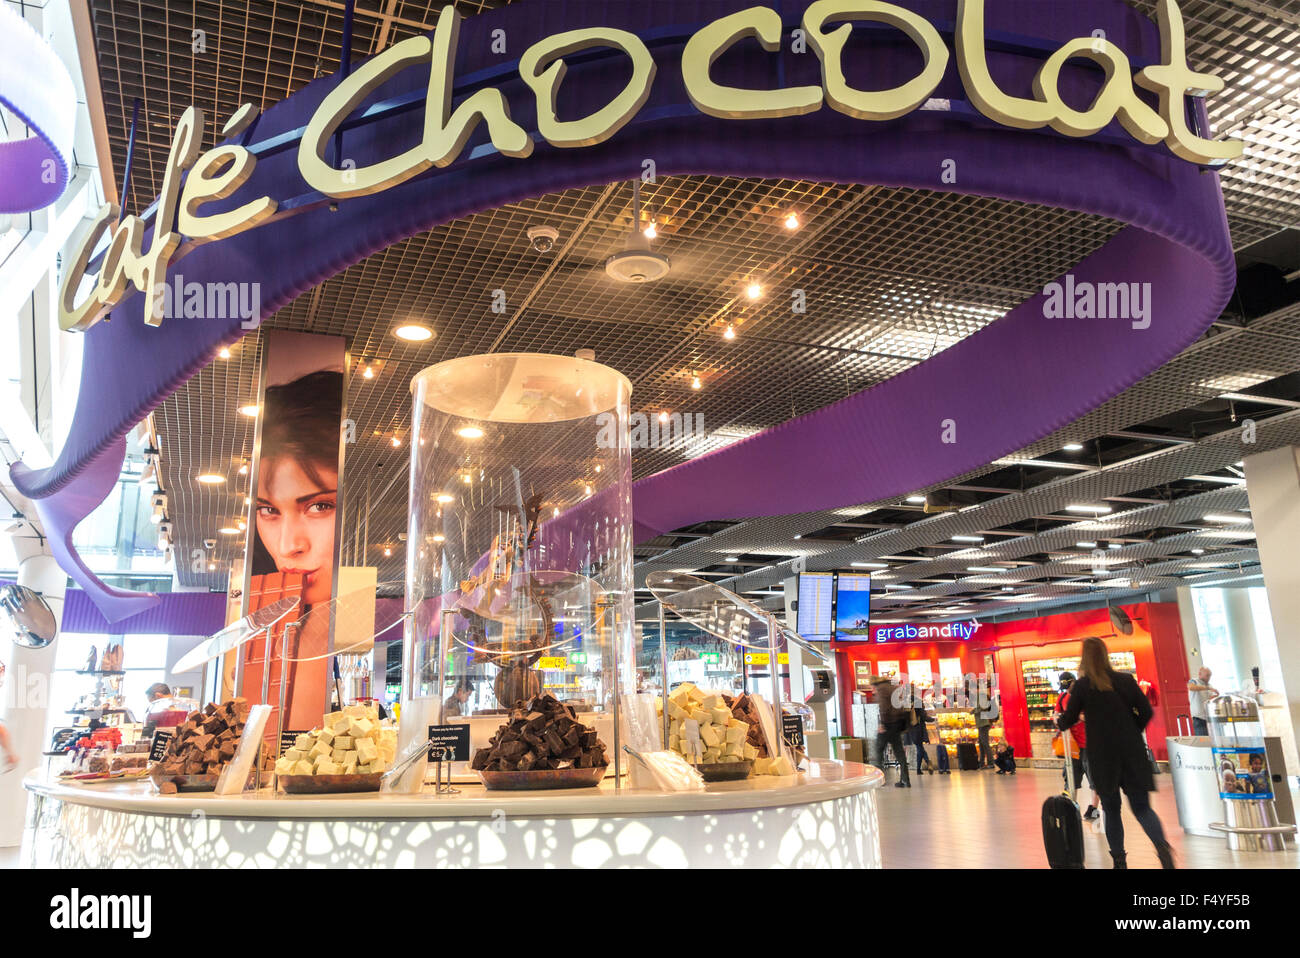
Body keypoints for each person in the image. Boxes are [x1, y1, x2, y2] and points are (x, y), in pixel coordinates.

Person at [1057, 637, 1175, 869]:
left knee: (1111, 809)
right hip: (1132, 752)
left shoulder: (1082, 686)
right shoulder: (1125, 680)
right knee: (1142, 808)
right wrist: (1132, 730)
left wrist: (1060, 722)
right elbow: (1146, 711)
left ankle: (1119, 862)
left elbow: (1069, 719)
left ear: (1085, 658)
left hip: (1103, 756)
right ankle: (1163, 850)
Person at [1057, 672, 1100, 821]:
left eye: (1069, 687)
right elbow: (1057, 715)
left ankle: (1094, 809)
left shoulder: (1086, 695)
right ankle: (1071, 807)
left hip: (1089, 744)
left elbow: (1092, 715)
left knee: (1094, 778)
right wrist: (1058, 719)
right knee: (1070, 778)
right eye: (1066, 688)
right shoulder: (1062, 697)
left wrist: (1076, 717)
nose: (1068, 690)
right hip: (1071, 746)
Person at [870, 674, 912, 787]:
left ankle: (879, 780)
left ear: (874, 684)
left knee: (878, 750)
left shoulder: (881, 689)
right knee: (899, 752)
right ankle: (905, 779)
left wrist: (882, 724)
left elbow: (883, 706)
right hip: (898, 723)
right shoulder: (893, 686)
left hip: (888, 723)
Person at [909, 688, 935, 774]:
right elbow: (924, 717)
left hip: (911, 729)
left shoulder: (906, 702)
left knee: (919, 747)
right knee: (920, 748)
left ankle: (918, 769)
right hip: (919, 728)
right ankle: (928, 762)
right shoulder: (918, 702)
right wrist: (933, 719)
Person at [1187, 666, 1217, 737]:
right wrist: (1207, 688)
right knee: (1203, 742)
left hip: (1209, 718)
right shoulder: (1194, 681)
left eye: (1210, 676)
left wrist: (1216, 697)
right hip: (1199, 719)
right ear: (1200, 674)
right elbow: (1191, 687)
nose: (1209, 678)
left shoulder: (1210, 685)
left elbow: (1210, 699)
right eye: (1207, 675)